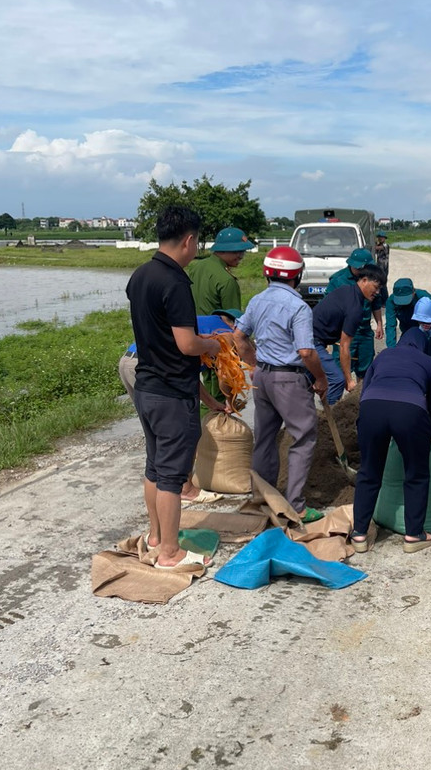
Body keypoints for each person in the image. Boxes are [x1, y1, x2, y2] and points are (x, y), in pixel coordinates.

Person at [125, 206, 222, 569]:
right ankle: (169, 553)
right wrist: (210, 345)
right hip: (172, 393)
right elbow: (186, 344)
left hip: (147, 385)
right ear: (189, 240)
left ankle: (155, 537)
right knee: (171, 476)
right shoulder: (176, 281)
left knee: (154, 467)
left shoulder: (140, 275)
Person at [232, 246, 328, 524]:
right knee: (304, 435)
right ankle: (295, 505)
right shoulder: (298, 306)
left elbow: (238, 337)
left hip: (263, 376)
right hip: (288, 378)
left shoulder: (257, 300)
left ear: (267, 273)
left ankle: (260, 497)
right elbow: (306, 352)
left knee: (264, 437)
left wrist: (253, 365)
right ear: (297, 276)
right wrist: (320, 378)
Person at [117, 309, 238, 506]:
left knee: (155, 430)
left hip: (128, 362)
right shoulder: (225, 334)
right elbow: (227, 375)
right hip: (149, 368)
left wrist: (211, 403)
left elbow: (190, 377)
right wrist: (229, 401)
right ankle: (186, 489)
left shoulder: (201, 322)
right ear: (234, 324)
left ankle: (161, 482)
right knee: (185, 430)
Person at [351, 328, 431, 552]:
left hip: (371, 408)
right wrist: (427, 429)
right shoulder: (428, 362)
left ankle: (359, 535)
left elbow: (365, 390)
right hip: (410, 411)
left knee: (369, 471)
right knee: (417, 473)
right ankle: (414, 535)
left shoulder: (383, 355)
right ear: (424, 346)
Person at [312, 265, 386, 404]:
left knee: (307, 381)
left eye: (379, 289)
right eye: (375, 287)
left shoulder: (347, 290)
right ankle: (331, 416)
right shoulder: (355, 308)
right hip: (311, 342)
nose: (377, 292)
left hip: (307, 338)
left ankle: (307, 417)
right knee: (337, 380)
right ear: (364, 280)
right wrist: (348, 380)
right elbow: (344, 346)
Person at [324, 248, 387, 379]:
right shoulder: (338, 280)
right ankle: (337, 399)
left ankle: (360, 397)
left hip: (364, 331)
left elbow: (376, 303)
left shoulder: (372, 279)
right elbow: (328, 306)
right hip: (344, 332)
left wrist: (379, 324)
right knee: (340, 372)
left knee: (366, 370)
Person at [188, 226, 253, 315]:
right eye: (237, 252)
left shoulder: (196, 266)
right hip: (216, 328)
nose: (241, 256)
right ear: (223, 250)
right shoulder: (227, 280)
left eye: (243, 252)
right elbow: (232, 318)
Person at [385, 278, 431, 347]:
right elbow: (390, 326)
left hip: (425, 330)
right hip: (406, 330)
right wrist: (391, 349)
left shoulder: (424, 298)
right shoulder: (391, 302)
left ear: (414, 292)